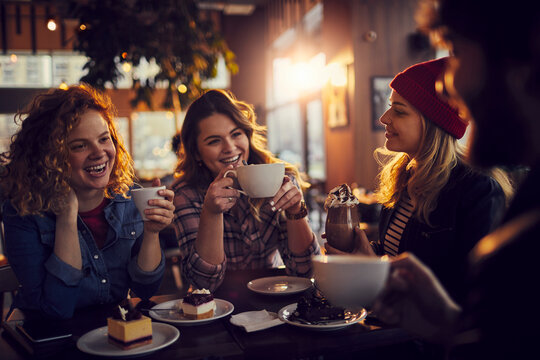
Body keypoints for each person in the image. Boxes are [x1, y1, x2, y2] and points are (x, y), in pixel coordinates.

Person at [372, 0, 540, 359]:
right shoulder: (528, 207)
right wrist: (447, 324)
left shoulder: (487, 197)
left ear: (523, 60)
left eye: (456, 50)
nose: (448, 88)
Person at [328, 57, 513, 305]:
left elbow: (472, 292)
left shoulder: (478, 190)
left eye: (399, 111)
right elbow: (395, 254)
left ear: (434, 124)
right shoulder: (404, 176)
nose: (384, 118)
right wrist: (366, 253)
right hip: (393, 326)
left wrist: (377, 270)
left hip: (431, 340)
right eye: (389, 106)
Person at [0, 85, 175, 319]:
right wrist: (66, 218)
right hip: (52, 340)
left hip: (117, 334)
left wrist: (152, 232)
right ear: (49, 156)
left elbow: (145, 290)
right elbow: (56, 309)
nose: (99, 152)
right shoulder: (22, 212)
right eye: (79, 145)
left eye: (104, 139)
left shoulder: (129, 197)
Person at [172, 89, 321, 291]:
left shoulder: (279, 179)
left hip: (273, 298)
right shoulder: (184, 193)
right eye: (214, 141)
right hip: (214, 308)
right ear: (196, 152)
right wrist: (211, 212)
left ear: (247, 135)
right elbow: (204, 283)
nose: (230, 147)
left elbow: (305, 272)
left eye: (236, 134)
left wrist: (297, 212)